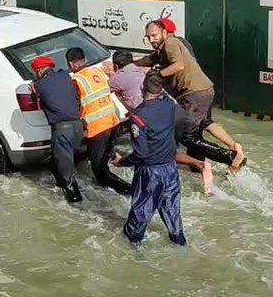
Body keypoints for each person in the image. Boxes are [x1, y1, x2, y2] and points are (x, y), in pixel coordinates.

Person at [136, 20, 246, 170]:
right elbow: (148, 60)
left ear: (164, 32)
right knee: (202, 126)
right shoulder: (161, 49)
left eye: (154, 35)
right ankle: (208, 162)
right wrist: (131, 63)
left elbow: (178, 65)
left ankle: (230, 157)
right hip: (200, 91)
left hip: (194, 94)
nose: (151, 40)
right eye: (148, 37)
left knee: (187, 136)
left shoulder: (170, 43)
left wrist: (158, 75)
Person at [112, 72, 186, 246]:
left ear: (142, 88)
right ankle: (179, 243)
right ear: (161, 90)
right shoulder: (169, 105)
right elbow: (182, 119)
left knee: (141, 212)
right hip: (170, 167)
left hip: (150, 172)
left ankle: (132, 251)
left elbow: (141, 154)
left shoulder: (138, 117)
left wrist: (121, 161)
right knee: (172, 210)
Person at [67, 47, 133, 196]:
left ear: (71, 65)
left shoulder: (76, 80)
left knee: (99, 171)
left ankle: (130, 191)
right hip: (113, 122)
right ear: (84, 59)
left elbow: (74, 105)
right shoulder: (97, 72)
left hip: (97, 128)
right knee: (106, 157)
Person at [30, 55, 84, 202]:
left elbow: (36, 101)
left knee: (66, 172)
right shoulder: (65, 75)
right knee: (61, 161)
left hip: (62, 130)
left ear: (40, 70)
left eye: (34, 72)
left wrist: (34, 88)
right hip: (79, 127)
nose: (34, 75)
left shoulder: (38, 85)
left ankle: (75, 203)